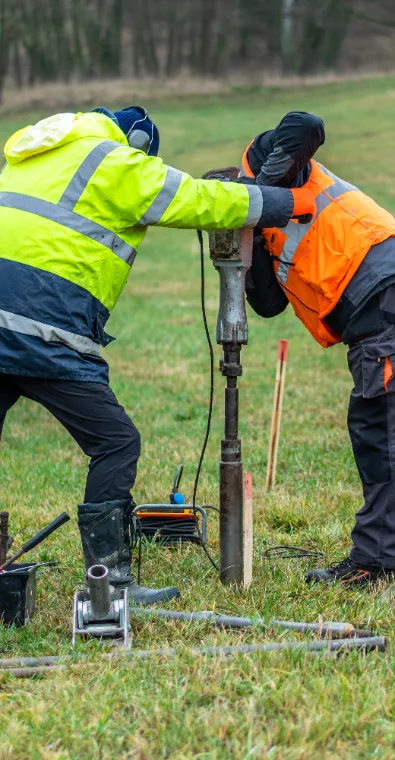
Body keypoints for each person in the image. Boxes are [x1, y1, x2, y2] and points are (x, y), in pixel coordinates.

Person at [0, 105, 313, 603]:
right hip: (44, 328)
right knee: (115, 443)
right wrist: (285, 202)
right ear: (139, 140)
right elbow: (198, 199)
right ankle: (110, 584)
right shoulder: (116, 162)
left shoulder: (31, 155)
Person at [235, 111, 395, 586]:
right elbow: (267, 304)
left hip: (382, 291)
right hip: (369, 313)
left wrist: (259, 194)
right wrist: (244, 247)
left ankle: (377, 562)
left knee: (380, 435)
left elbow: (307, 123)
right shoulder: (257, 230)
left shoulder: (262, 160)